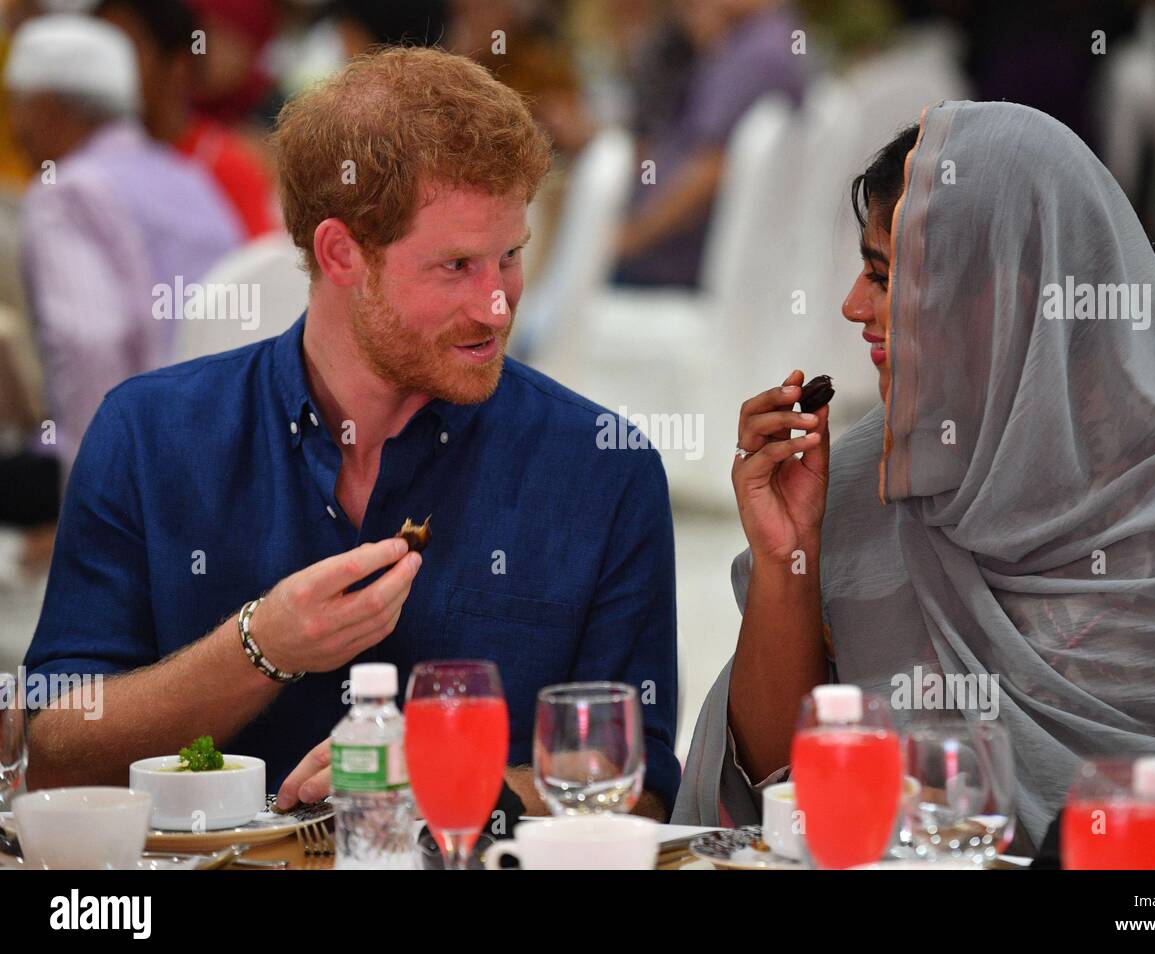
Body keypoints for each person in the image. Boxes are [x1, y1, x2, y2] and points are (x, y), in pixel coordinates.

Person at [22, 46, 680, 820]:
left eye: (510, 257)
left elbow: (637, 788)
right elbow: (52, 755)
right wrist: (260, 646)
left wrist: (449, 779)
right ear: (341, 253)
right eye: (458, 265)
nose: (498, 305)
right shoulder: (148, 435)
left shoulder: (600, 468)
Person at [673, 100, 1155, 851]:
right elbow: (777, 797)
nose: (851, 307)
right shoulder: (877, 477)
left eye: (882, 275)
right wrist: (788, 557)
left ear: (1000, 293)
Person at [3, 13, 240, 483]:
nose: (14, 127)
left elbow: (90, 345)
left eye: (16, 107)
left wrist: (88, 508)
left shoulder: (65, 193)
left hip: (145, 472)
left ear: (47, 108)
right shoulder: (190, 178)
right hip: (231, 455)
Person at [614, 0, 807, 288]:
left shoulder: (757, 56)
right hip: (683, 256)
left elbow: (710, 171)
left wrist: (625, 240)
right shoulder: (766, 39)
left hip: (669, 266)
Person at [98, 0, 279, 239]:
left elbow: (264, 267)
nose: (105, 69)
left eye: (126, 52)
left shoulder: (226, 166)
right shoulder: (89, 163)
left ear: (178, 65)